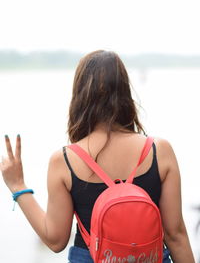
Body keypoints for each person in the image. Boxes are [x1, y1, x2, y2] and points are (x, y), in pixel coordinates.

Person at [0, 50, 195, 263]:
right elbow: (176, 235)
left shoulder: (64, 160)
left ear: (80, 95)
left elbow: (56, 241)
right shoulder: (160, 150)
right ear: (125, 91)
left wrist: (18, 185)